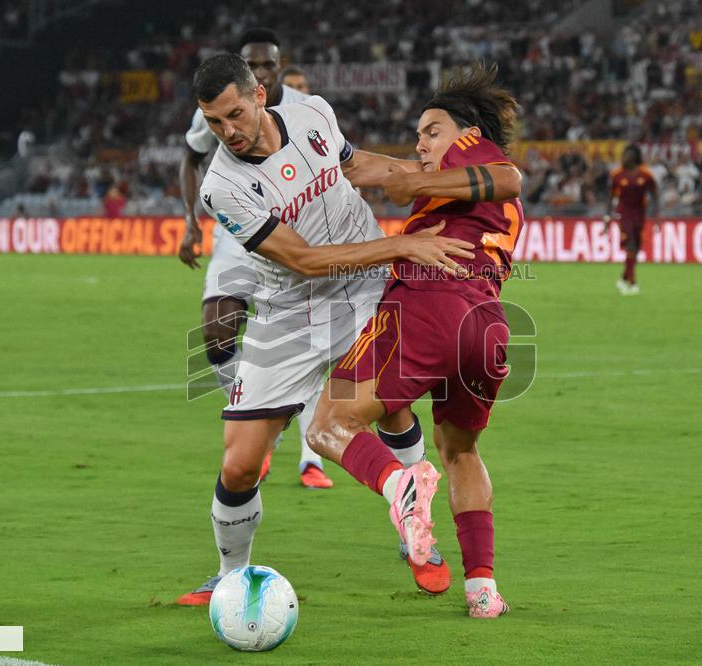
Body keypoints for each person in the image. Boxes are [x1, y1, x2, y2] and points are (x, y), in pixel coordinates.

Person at [176, 54, 471, 606]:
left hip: (365, 291)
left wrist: (429, 180)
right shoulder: (223, 186)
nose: (228, 132)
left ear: (260, 94)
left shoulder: (312, 113)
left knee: (390, 403)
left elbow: (356, 167)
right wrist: (402, 244)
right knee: (239, 464)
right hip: (289, 309)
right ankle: (231, 573)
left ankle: (417, 536)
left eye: (234, 114)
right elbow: (307, 261)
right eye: (214, 122)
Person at [306, 63, 524, 619]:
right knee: (461, 450)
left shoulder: (472, 154)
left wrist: (418, 179)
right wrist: (318, 144)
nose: (421, 143)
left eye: (431, 130)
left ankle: (399, 485)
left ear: (468, 131)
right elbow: (377, 168)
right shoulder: (459, 184)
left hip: (429, 304)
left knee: (329, 426)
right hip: (490, 325)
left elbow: (509, 178)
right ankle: (482, 589)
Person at [177, 29, 332, 490]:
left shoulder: (305, 108)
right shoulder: (219, 108)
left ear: (278, 68)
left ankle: (307, 454)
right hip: (238, 231)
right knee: (216, 330)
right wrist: (190, 222)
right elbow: (189, 160)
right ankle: (263, 421)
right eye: (252, 62)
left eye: (267, 64)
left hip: (294, 231)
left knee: (312, 344)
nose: (260, 70)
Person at [603, 143, 660, 295]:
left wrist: (656, 217)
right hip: (623, 213)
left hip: (640, 214)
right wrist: (607, 218)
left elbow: (654, 194)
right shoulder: (617, 175)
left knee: (636, 249)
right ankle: (633, 284)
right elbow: (610, 197)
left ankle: (622, 280)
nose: (623, 158)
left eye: (626, 155)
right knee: (631, 245)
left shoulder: (645, 175)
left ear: (634, 157)